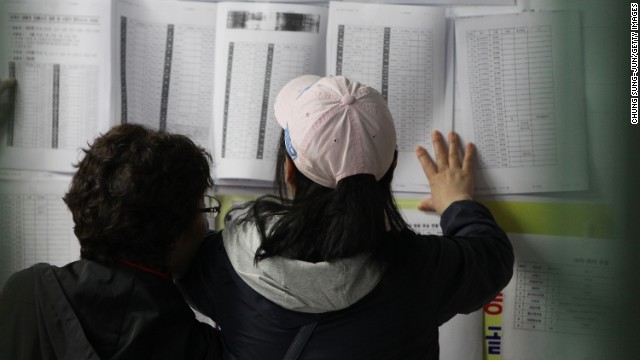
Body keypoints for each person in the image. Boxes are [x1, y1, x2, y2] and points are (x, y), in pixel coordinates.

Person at [178, 75, 514, 359]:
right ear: (392, 167)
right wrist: (456, 202)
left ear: (289, 173)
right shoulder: (422, 269)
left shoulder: (222, 262)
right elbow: (493, 257)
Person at [0, 123, 222, 359]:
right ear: (175, 235)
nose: (206, 227)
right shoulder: (198, 349)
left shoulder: (25, 294)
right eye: (203, 212)